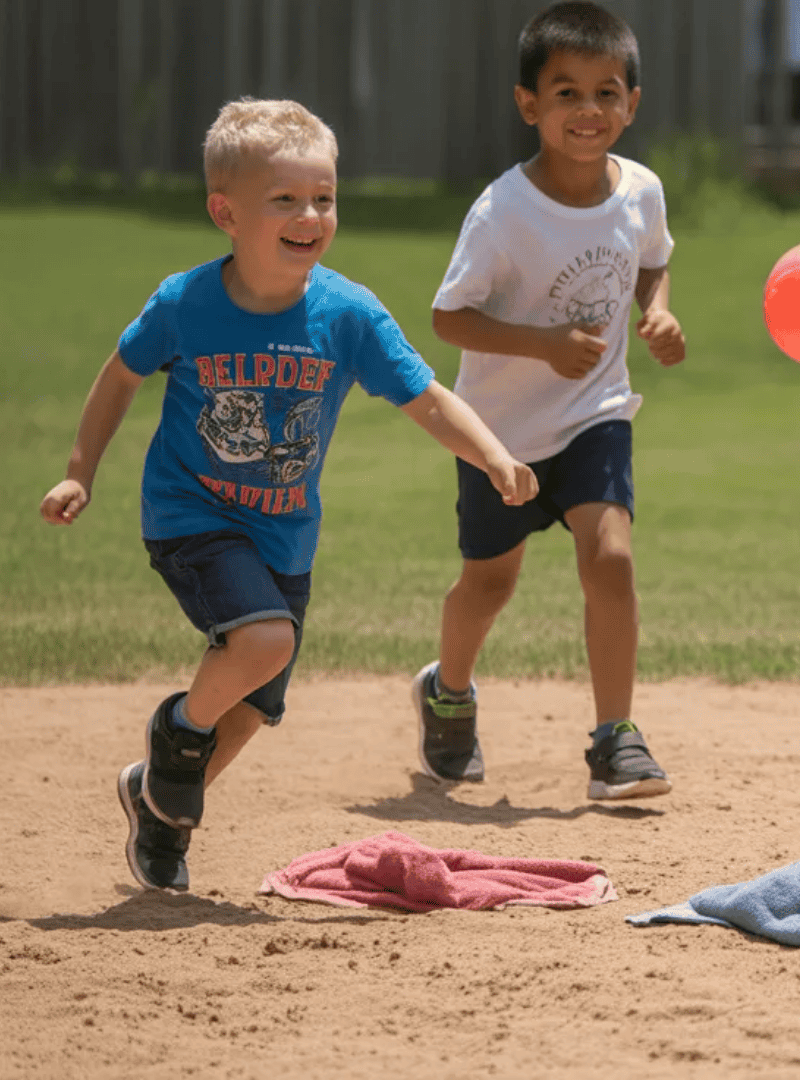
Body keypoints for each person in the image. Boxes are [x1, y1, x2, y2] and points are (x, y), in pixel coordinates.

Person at [38, 99, 538, 893]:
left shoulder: (347, 314)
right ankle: (175, 733)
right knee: (262, 643)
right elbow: (120, 375)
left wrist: (494, 457)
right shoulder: (185, 303)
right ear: (224, 213)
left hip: (284, 537)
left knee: (253, 706)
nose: (310, 215)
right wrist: (79, 470)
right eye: (286, 200)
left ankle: (160, 809)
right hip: (191, 515)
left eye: (324, 198)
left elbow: (428, 397)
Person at [411, 0, 687, 801]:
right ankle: (448, 691)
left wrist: (657, 310)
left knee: (612, 559)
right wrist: (542, 345)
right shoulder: (503, 213)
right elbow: (446, 316)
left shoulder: (641, 189)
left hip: (595, 417)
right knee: (489, 584)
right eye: (566, 92)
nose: (588, 109)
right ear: (529, 104)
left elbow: (652, 260)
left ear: (632, 104)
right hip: (497, 434)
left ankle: (616, 739)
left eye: (607, 91)